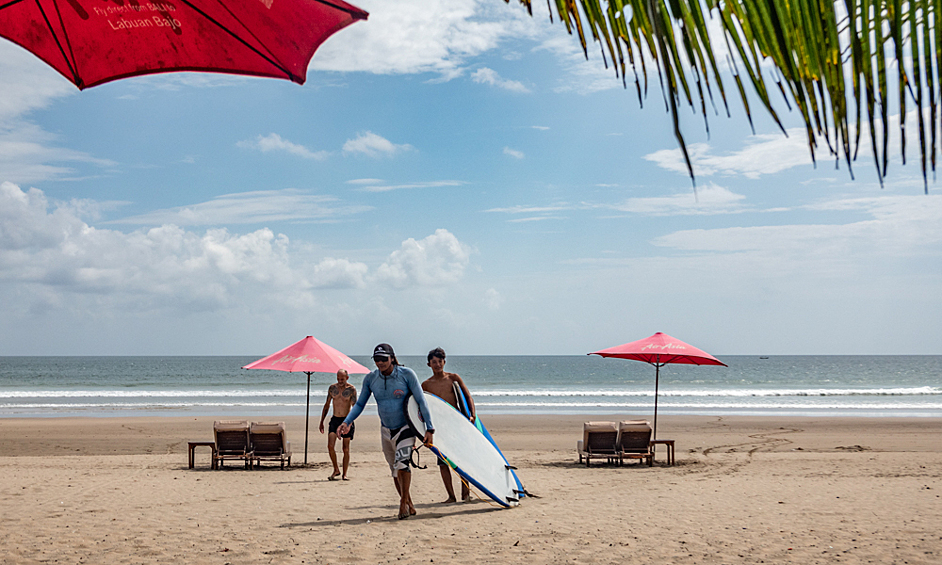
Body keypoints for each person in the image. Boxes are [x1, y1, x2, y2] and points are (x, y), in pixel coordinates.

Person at [337, 344, 434, 520]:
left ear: (392, 358)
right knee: (395, 469)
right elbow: (360, 404)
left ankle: (403, 502)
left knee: (403, 464)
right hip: (386, 429)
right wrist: (347, 422)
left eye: (384, 359)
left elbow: (421, 401)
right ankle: (409, 503)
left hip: (406, 427)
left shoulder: (406, 375)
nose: (380, 363)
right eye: (377, 359)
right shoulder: (371, 379)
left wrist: (429, 427)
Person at [421, 347, 475, 503]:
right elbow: (423, 407)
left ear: (444, 362)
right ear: (428, 364)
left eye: (439, 361)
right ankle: (451, 496)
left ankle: (466, 494)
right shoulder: (426, 385)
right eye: (434, 362)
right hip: (440, 427)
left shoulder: (453, 378)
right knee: (442, 462)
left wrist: (472, 415)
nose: (437, 365)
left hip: (457, 424)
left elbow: (467, 396)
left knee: (462, 459)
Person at [318, 369, 357, 481]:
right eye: (338, 379)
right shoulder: (332, 388)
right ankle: (336, 469)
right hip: (335, 419)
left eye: (342, 379)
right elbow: (326, 405)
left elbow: (355, 408)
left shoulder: (351, 390)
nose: (340, 381)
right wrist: (321, 421)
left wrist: (349, 423)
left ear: (347, 378)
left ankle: (345, 474)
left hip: (346, 420)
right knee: (330, 446)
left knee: (345, 449)